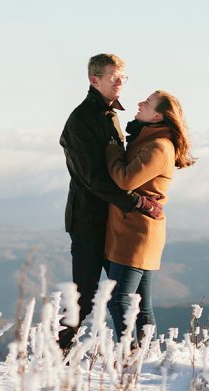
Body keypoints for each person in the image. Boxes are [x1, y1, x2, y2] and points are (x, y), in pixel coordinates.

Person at [58, 53, 162, 349]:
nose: (120, 83)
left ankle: (143, 356)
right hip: (89, 220)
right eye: (114, 78)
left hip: (115, 218)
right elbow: (93, 178)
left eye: (123, 77)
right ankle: (56, 352)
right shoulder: (81, 120)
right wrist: (137, 203)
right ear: (95, 80)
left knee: (130, 295)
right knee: (86, 296)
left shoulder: (110, 114)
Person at [103, 90, 195, 341]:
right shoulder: (148, 141)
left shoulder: (158, 147)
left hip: (135, 232)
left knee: (118, 299)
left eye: (148, 102)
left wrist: (112, 149)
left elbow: (125, 180)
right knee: (142, 304)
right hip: (137, 229)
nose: (140, 102)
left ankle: (128, 353)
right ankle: (146, 355)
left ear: (157, 116)